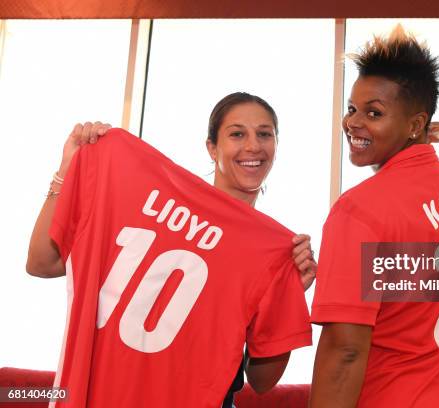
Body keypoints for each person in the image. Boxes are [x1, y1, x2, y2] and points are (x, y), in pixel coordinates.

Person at [26, 92, 316, 407]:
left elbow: (261, 382)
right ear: (212, 148)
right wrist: (67, 172)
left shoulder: (271, 252)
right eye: (237, 133)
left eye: (264, 134)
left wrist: (289, 295)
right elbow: (42, 263)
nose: (253, 146)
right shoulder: (148, 202)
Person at [310, 26, 439, 407]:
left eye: (374, 113)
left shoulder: (359, 211)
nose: (354, 123)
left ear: (416, 125)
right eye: (352, 108)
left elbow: (346, 352)